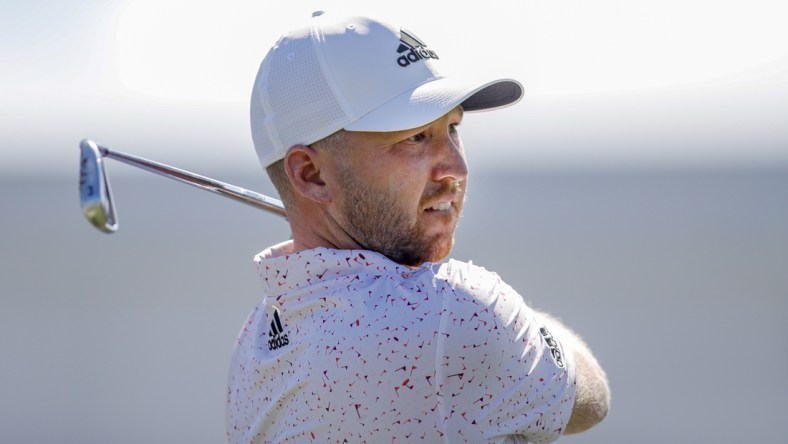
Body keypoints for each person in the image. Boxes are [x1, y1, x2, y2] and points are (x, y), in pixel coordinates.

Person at [227, 11, 610, 443]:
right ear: (312, 175)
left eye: (452, 129)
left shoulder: (258, 337)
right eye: (415, 138)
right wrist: (515, 318)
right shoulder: (453, 313)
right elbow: (592, 395)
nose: (457, 168)